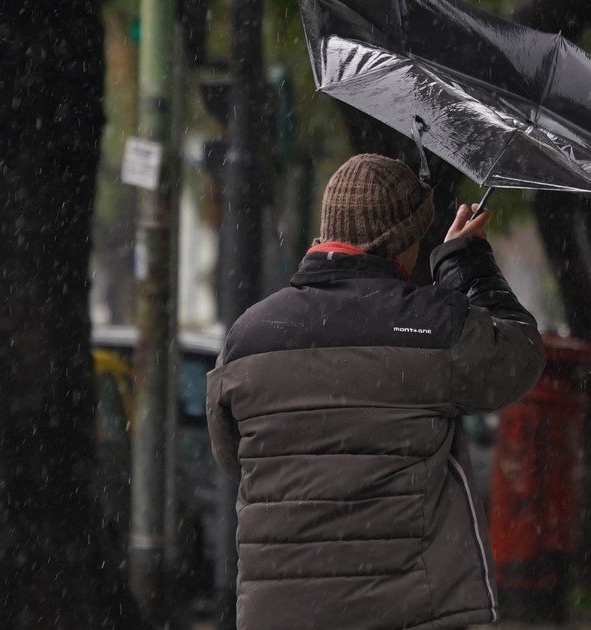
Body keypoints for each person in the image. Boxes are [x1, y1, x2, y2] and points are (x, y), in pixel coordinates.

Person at [206, 154, 545, 629]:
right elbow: (520, 356)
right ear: (403, 241)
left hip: (279, 613)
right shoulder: (434, 327)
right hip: (408, 610)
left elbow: (233, 457)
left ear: (325, 234)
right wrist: (465, 265)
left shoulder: (249, 335)